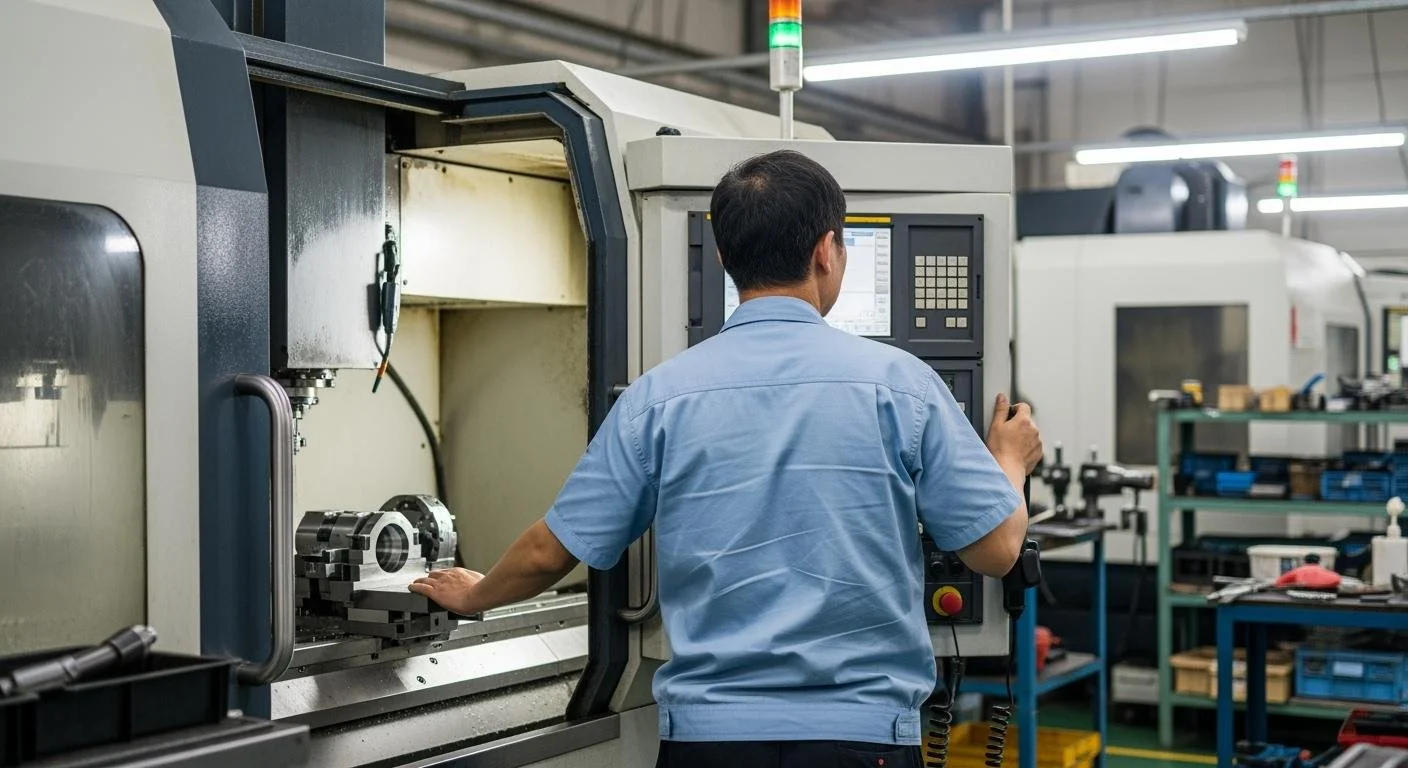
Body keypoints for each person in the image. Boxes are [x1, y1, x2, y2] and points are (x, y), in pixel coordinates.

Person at [411, 149, 1041, 768]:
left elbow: (553, 548)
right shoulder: (902, 386)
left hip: (710, 740)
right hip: (862, 734)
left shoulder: (658, 397)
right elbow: (995, 551)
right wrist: (1008, 462)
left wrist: (477, 595)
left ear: (722, 258)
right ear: (827, 250)